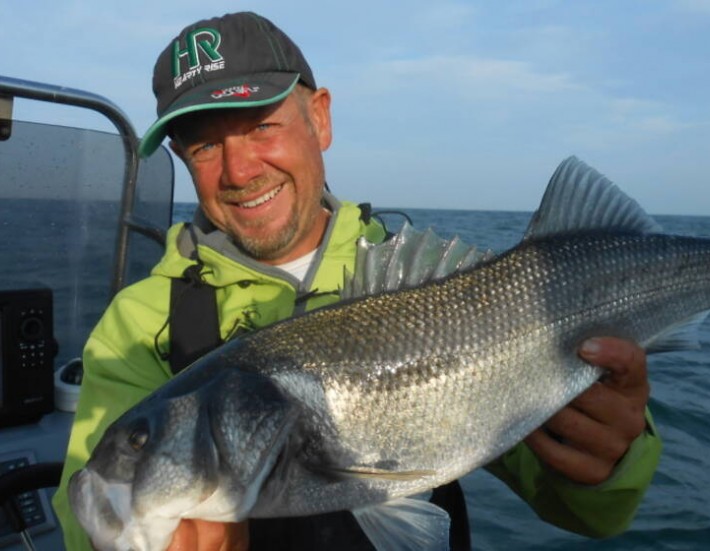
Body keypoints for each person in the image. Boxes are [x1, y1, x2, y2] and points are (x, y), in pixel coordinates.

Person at [52, 11, 662, 550]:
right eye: (204, 146)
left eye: (261, 126)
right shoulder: (137, 323)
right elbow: (89, 514)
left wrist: (612, 462)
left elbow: (586, 514)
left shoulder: (450, 285)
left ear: (319, 119)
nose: (238, 169)